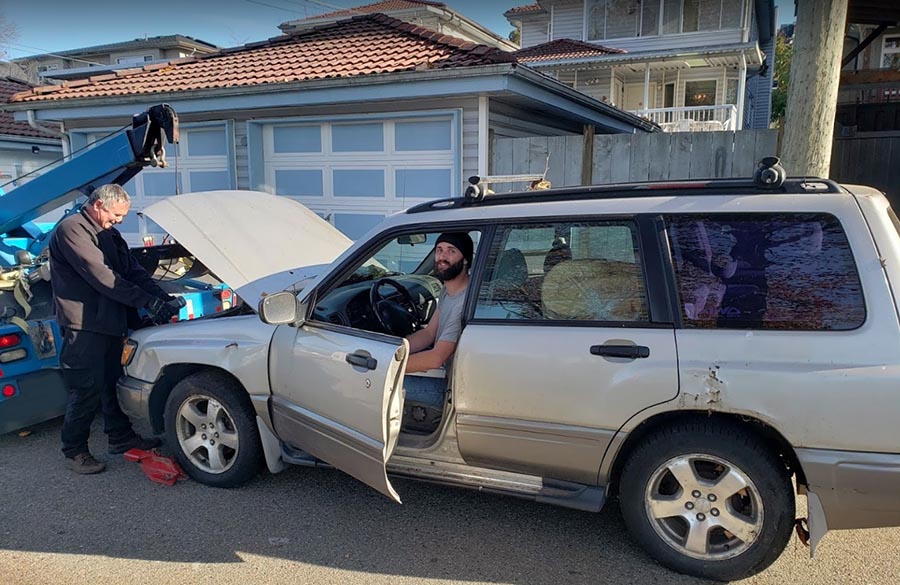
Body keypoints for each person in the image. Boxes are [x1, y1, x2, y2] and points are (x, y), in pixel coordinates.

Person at [49, 184, 182, 474]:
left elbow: (132, 271)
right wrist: (146, 301)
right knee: (86, 388)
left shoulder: (108, 233)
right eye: (116, 214)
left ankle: (120, 437)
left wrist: (163, 299)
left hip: (110, 321)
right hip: (83, 324)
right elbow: (104, 277)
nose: (120, 220)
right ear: (98, 205)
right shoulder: (72, 230)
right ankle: (75, 450)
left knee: (112, 381)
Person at [402, 232, 473, 430]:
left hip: (448, 389)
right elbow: (428, 334)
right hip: (445, 377)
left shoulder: (463, 302)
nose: (443, 257)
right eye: (439, 250)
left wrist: (388, 367)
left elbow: (436, 358)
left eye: (451, 251)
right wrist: (396, 349)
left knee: (376, 384)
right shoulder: (448, 290)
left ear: (465, 259)